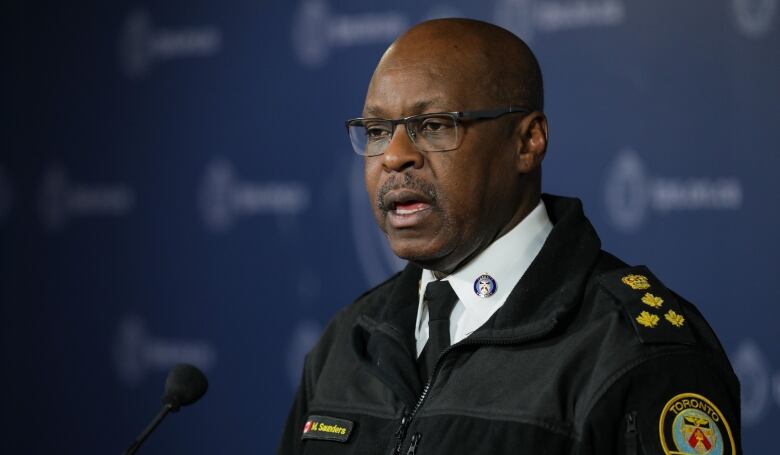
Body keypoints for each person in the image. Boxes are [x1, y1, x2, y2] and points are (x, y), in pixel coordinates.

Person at [278, 18, 741, 455]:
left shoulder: (632, 351)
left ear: (528, 141)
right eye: (377, 131)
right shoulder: (348, 339)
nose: (394, 156)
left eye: (435, 125)